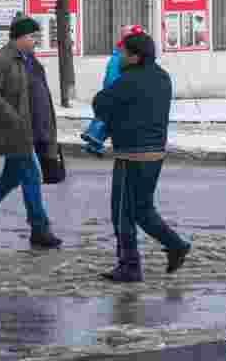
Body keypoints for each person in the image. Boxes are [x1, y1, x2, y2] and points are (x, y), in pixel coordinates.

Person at [92, 32, 191, 283]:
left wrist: (114, 75)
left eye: (123, 53)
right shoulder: (162, 77)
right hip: (155, 153)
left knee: (122, 212)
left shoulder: (129, 80)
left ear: (135, 57)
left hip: (131, 155)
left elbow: (100, 103)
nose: (120, 57)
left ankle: (130, 265)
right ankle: (175, 245)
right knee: (143, 210)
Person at [0, 14, 62, 249]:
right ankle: (40, 228)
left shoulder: (29, 59)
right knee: (31, 177)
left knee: (10, 178)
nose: (36, 40)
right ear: (19, 37)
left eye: (37, 36)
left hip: (32, 129)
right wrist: (13, 118)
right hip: (14, 131)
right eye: (32, 36)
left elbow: (38, 93)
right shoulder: (2, 59)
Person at [81, 24, 145, 156]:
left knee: (109, 115)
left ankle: (94, 140)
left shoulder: (121, 52)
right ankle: (94, 136)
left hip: (114, 87)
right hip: (116, 87)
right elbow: (115, 75)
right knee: (110, 116)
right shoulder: (124, 54)